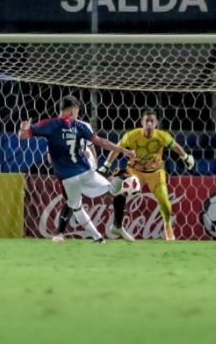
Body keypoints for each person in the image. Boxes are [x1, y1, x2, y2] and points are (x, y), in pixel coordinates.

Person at [19, 96, 135, 243]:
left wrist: (23, 128)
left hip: (69, 178)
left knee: (76, 207)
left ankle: (97, 237)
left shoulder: (50, 124)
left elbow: (22, 136)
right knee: (109, 192)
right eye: (77, 111)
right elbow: (101, 142)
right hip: (85, 173)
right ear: (73, 111)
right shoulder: (80, 126)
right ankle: (121, 184)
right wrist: (122, 150)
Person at [100, 109, 195, 242]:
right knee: (119, 189)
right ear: (142, 122)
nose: (149, 124)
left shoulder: (162, 136)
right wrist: (106, 165)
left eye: (152, 121)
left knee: (165, 203)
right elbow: (117, 149)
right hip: (135, 171)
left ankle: (167, 225)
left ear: (156, 123)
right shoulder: (132, 135)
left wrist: (185, 157)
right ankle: (117, 225)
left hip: (155, 173)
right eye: (147, 121)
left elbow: (175, 146)